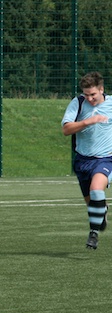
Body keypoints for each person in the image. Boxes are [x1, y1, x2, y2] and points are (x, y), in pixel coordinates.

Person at [62, 71, 112, 249]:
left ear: (101, 89)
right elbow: (66, 130)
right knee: (92, 203)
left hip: (106, 159)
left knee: (96, 188)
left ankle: (93, 234)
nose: (90, 98)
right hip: (83, 161)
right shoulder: (78, 103)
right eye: (86, 94)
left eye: (93, 94)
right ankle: (101, 211)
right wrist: (88, 121)